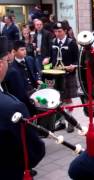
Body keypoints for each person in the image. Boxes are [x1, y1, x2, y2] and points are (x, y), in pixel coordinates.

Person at [0, 36, 45, 180]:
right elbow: (34, 152)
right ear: (1, 64)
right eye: (7, 61)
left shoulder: (28, 61)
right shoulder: (12, 107)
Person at [43, 21, 79, 133]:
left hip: (68, 75)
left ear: (66, 31)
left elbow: (77, 59)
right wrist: (47, 59)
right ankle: (62, 122)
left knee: (68, 99)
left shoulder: (71, 43)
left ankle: (70, 122)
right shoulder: (52, 41)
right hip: (55, 75)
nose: (57, 33)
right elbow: (50, 56)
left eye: (59, 31)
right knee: (58, 99)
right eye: (55, 31)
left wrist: (74, 66)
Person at [3, 40, 42, 116]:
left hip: (35, 91)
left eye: (25, 49)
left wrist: (38, 79)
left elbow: (36, 72)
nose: (25, 51)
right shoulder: (11, 68)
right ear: (14, 52)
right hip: (24, 97)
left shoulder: (30, 59)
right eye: (22, 50)